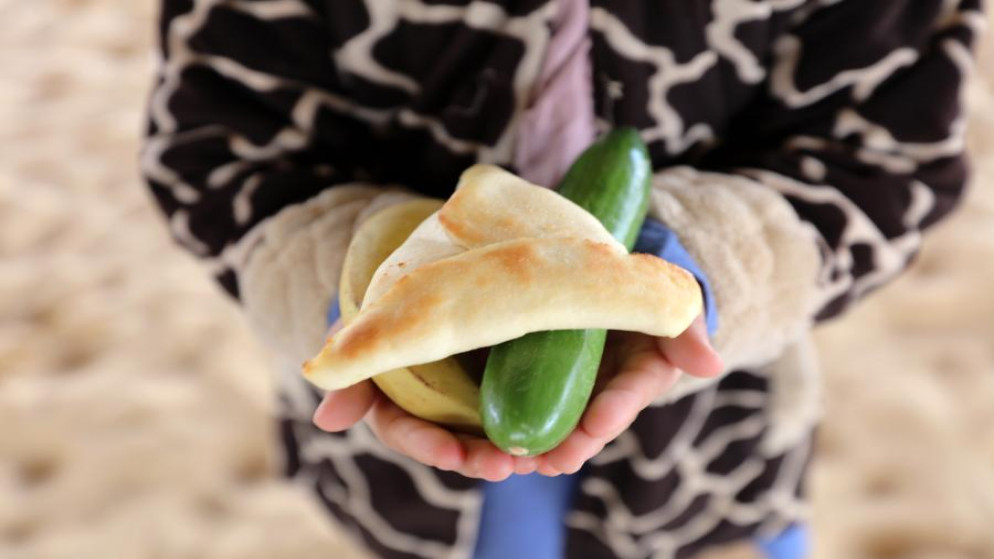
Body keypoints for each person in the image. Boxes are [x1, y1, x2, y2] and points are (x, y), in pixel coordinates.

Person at [142, 1, 983, 558]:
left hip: (718, 415)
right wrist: (360, 286)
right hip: (407, 430)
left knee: (741, 527)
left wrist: (697, 263)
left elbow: (888, 152)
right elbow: (217, 147)